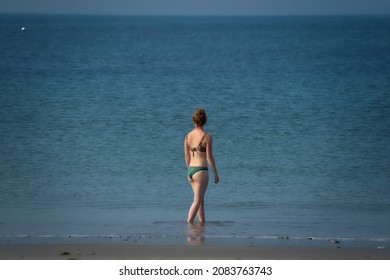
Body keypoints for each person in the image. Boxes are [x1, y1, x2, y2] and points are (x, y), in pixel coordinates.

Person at [184, 108, 219, 223]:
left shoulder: (187, 136)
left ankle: (202, 225)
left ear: (194, 121)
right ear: (205, 122)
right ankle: (189, 223)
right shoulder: (207, 137)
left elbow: (187, 158)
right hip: (201, 171)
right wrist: (215, 173)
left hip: (190, 171)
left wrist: (189, 171)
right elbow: (209, 157)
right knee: (197, 201)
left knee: (200, 200)